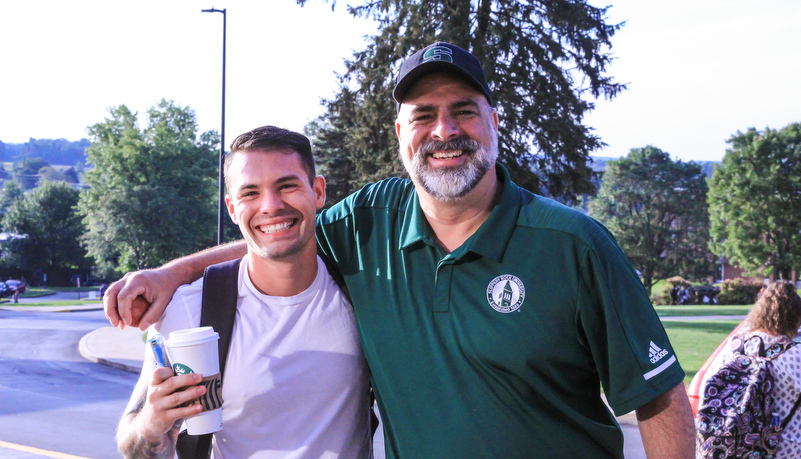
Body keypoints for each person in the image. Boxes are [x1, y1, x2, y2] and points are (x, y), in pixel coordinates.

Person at [106, 42, 694, 458]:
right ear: (400, 133)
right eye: (423, 116)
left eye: (464, 110)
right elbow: (278, 234)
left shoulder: (573, 244)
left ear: (494, 121)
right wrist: (171, 272)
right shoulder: (372, 219)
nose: (444, 131)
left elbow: (660, 398)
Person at [115, 126, 372, 458]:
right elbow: (132, 446)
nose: (271, 205)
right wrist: (152, 422)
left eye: (288, 185)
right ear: (232, 208)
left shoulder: (360, 293)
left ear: (318, 191)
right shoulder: (192, 310)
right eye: (250, 193)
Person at [697, 280, 801, 458]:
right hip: (783, 451)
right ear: (795, 319)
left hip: (729, 449)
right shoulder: (796, 356)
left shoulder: (733, 347)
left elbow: (705, 391)